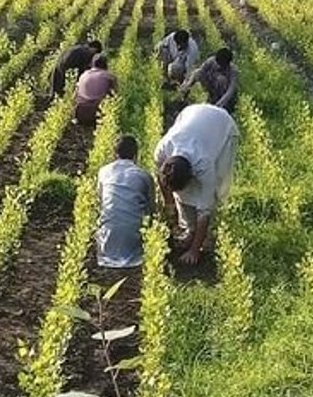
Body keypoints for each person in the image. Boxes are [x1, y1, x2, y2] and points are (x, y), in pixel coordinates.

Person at [153, 103, 238, 266]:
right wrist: (169, 206)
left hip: (222, 125)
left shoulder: (204, 163)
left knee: (214, 189)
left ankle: (205, 237)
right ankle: (190, 229)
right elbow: (162, 179)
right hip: (190, 113)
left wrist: (194, 250)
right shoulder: (162, 151)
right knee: (183, 195)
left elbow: (204, 211)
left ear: (192, 175)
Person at [96, 134, 154, 268]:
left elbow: (101, 202)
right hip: (133, 241)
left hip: (106, 243)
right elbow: (151, 210)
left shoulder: (103, 171)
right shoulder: (144, 176)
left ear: (114, 154)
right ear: (136, 155)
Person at [180, 47, 238, 112]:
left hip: (222, 94)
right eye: (218, 63)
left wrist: (219, 103)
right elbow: (200, 71)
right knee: (197, 73)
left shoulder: (233, 71)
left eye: (222, 65)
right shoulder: (211, 61)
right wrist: (188, 84)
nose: (219, 66)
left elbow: (230, 91)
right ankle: (184, 95)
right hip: (211, 85)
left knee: (221, 80)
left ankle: (218, 104)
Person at [73, 54, 117, 126]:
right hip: (97, 115)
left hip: (79, 113)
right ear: (106, 64)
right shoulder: (109, 76)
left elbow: (75, 92)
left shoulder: (84, 74)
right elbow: (116, 94)